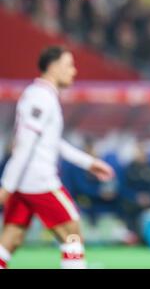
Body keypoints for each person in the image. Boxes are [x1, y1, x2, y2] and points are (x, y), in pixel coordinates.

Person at [0, 46, 114, 269]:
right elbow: (23, 147)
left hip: (24, 184)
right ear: (52, 67)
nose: (74, 71)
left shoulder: (39, 94)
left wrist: (89, 163)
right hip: (39, 182)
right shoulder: (41, 97)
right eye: (69, 65)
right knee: (73, 235)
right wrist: (5, 188)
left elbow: (51, 142)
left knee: (10, 241)